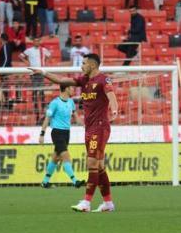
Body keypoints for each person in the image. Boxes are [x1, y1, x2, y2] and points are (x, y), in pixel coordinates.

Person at [33, 53, 119, 213]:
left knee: (92, 163)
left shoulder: (103, 80)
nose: (81, 66)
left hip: (100, 128)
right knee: (99, 166)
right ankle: (108, 203)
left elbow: (111, 94)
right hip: (89, 128)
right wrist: (43, 72)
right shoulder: (84, 80)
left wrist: (114, 109)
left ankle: (86, 202)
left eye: (84, 63)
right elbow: (61, 81)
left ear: (92, 65)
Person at [39, 84, 85, 188]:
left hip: (66, 133)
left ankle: (45, 182)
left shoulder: (71, 102)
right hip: (57, 132)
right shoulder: (55, 103)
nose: (73, 89)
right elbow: (47, 118)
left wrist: (84, 124)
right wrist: (42, 134)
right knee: (65, 155)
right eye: (71, 88)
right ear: (66, 89)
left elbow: (76, 117)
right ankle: (75, 181)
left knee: (56, 157)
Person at [20, 36, 52, 118]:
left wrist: (45, 63)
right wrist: (27, 63)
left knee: (41, 92)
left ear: (39, 42)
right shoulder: (29, 50)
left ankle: (42, 110)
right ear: (33, 42)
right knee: (35, 92)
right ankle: (36, 110)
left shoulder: (43, 50)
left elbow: (49, 56)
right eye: (35, 41)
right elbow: (20, 56)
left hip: (41, 72)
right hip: (33, 73)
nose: (36, 42)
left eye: (38, 41)